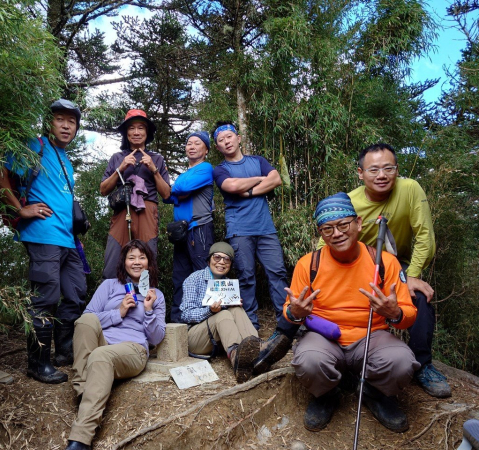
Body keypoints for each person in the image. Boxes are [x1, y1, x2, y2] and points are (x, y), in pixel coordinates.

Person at [287, 193, 419, 432]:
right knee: (309, 360)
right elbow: (290, 310)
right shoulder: (308, 264)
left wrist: (394, 313)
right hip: (326, 336)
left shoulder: (384, 262)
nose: (336, 233)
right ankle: (327, 394)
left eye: (343, 225)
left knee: (401, 361)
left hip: (372, 335)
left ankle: (373, 393)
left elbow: (408, 316)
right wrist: (295, 312)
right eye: (327, 228)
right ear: (321, 233)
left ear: (358, 223)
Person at [0, 99, 87, 384]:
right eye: (60, 119)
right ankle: (38, 362)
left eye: (72, 121)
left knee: (76, 292)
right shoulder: (34, 145)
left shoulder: (64, 158)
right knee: (45, 297)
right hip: (42, 235)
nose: (66, 125)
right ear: (49, 123)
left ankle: (63, 352)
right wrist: (20, 209)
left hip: (67, 239)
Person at [351, 143, 450, 398]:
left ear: (396, 170)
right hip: (360, 264)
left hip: (398, 262)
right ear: (360, 173)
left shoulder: (410, 189)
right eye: (373, 170)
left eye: (388, 168)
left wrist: (413, 275)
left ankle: (423, 365)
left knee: (420, 298)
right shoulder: (350, 201)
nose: (381, 175)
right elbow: (327, 242)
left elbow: (425, 235)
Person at [65, 240, 166, 450]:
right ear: (124, 263)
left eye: (142, 257)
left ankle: (80, 440)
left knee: (101, 355)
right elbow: (87, 319)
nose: (137, 262)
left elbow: (156, 338)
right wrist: (117, 312)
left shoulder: (156, 295)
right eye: (131, 257)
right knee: (85, 322)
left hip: (132, 348)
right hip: (104, 340)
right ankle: (86, 390)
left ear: (149, 263)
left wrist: (148, 310)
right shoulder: (109, 285)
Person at [212, 122, 298, 347]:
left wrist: (247, 190)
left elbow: (277, 179)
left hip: (265, 228)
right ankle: (251, 328)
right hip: (239, 229)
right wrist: (261, 180)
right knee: (246, 276)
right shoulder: (220, 169)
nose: (226, 142)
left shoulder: (257, 160)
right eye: (221, 140)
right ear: (218, 147)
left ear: (238, 138)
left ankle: (285, 325)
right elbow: (230, 186)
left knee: (277, 273)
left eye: (229, 137)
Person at [180, 242, 293, 382]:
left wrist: (231, 304)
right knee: (223, 313)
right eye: (217, 258)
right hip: (196, 339)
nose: (221, 262)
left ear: (230, 264)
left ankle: (258, 351)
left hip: (218, 337)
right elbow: (185, 314)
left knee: (235, 309)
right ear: (209, 260)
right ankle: (237, 357)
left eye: (226, 259)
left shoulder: (228, 284)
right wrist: (209, 310)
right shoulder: (194, 279)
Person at [100, 110, 171, 279]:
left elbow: (166, 194)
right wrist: (121, 168)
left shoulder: (157, 159)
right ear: (126, 133)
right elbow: (103, 190)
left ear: (147, 133)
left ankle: (146, 303)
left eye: (141, 128)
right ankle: (113, 302)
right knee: (113, 261)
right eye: (132, 128)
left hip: (147, 211)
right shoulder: (117, 158)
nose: (136, 132)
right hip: (122, 211)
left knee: (147, 263)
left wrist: (154, 170)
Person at [164, 131, 215, 323]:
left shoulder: (206, 168)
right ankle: (178, 324)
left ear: (206, 150)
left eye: (197, 143)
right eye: (189, 143)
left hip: (200, 228)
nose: (191, 146)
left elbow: (180, 189)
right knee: (180, 277)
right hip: (181, 232)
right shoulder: (186, 174)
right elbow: (167, 196)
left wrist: (176, 188)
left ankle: (205, 324)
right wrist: (176, 190)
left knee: (202, 275)